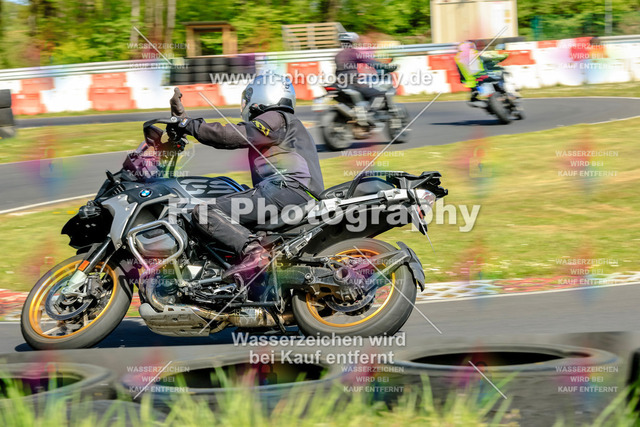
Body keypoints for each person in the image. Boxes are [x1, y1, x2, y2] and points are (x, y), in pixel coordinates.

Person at [169, 73, 324, 283]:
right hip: (293, 193)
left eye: (248, 96)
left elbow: (232, 135)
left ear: (263, 94)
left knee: (205, 212)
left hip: (287, 190)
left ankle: (254, 253)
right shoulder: (287, 124)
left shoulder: (275, 117)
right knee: (233, 194)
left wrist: (189, 124)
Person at [334, 32, 395, 126]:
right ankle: (370, 113)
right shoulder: (353, 53)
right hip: (353, 83)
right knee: (380, 93)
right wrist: (386, 67)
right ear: (352, 42)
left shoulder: (338, 55)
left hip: (339, 84)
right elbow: (370, 62)